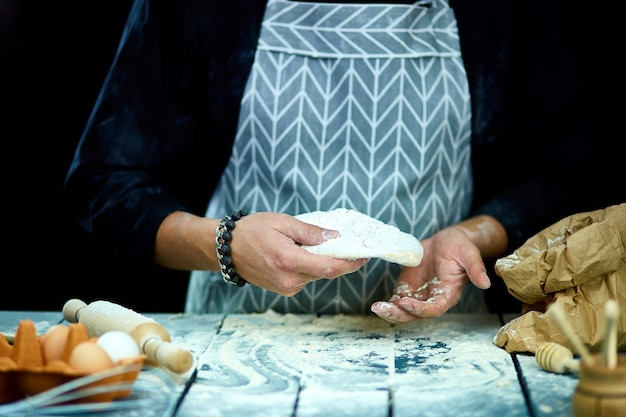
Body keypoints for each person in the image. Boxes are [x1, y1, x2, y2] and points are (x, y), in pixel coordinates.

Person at [63, 0, 591, 322]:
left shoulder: (498, 10)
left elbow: (560, 173)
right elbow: (103, 183)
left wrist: (473, 238)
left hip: (435, 345)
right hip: (240, 344)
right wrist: (226, 244)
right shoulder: (204, 6)